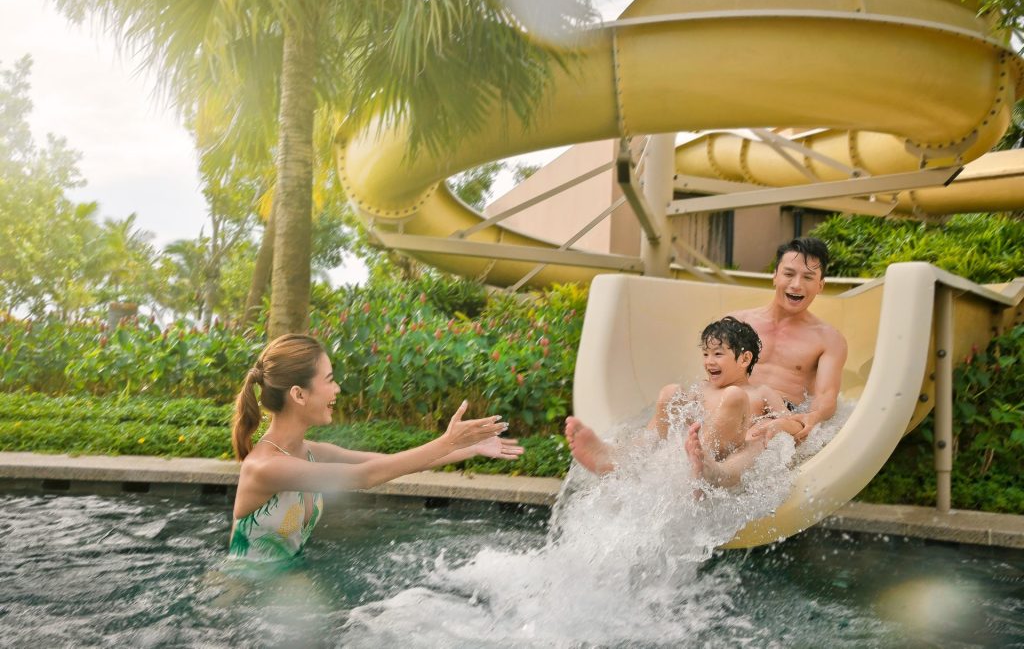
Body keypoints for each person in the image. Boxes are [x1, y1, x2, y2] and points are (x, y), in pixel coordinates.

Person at [227, 333, 521, 562]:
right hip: (245, 591)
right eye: (330, 380)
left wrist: (471, 447)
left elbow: (388, 462)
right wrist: (448, 441)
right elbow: (365, 476)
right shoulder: (266, 467)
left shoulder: (311, 452)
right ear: (299, 395)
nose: (337, 389)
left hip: (283, 582)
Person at [565, 317, 802, 480]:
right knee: (671, 392)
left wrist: (778, 425)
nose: (709, 361)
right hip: (688, 453)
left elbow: (795, 425)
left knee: (740, 407)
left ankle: (716, 472)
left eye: (718, 354)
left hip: (730, 454)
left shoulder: (760, 393)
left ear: (744, 359)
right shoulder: (702, 389)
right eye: (705, 354)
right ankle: (617, 458)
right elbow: (672, 422)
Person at [728, 237, 848, 442]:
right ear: (775, 276)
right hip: (734, 406)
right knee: (672, 395)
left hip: (780, 416)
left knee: (764, 430)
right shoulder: (738, 323)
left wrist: (813, 417)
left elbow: (826, 396)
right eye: (789, 274)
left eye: (808, 277)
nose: (796, 285)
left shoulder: (829, 339)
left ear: (820, 285)